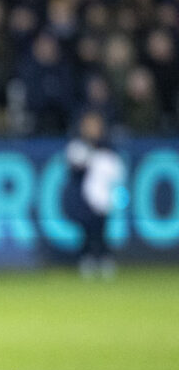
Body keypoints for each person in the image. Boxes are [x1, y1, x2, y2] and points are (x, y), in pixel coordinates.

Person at [64, 110, 126, 280]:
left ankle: (104, 259)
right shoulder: (77, 145)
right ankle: (87, 259)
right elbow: (74, 168)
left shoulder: (107, 148)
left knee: (102, 229)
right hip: (83, 198)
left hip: (102, 197)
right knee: (87, 229)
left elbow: (114, 171)